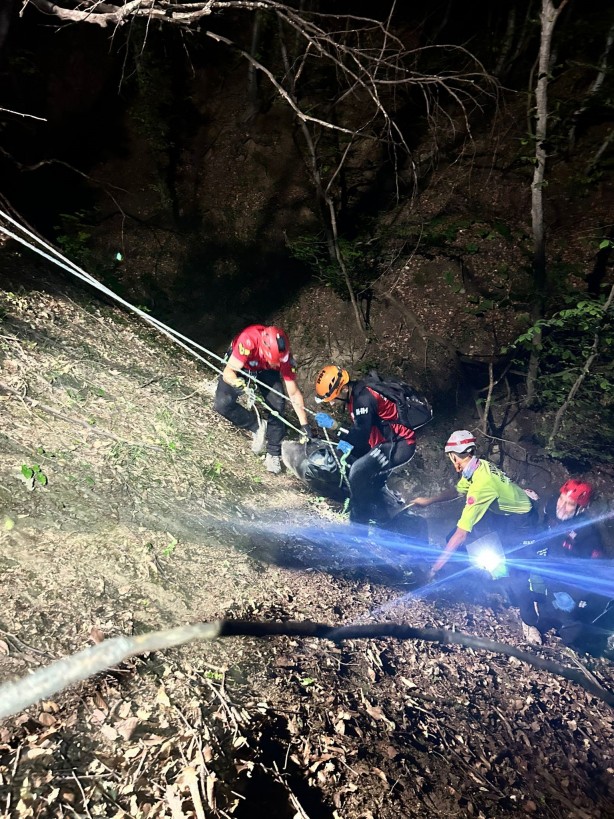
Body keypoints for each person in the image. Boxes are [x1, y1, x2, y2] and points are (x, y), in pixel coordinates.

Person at [409, 430, 537, 580]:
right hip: (503, 510)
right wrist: (428, 501)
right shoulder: (478, 466)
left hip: (521, 519)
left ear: (453, 456)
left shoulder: (480, 485)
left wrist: (433, 570)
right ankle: (464, 574)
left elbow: (461, 534)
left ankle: (492, 585)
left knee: (512, 560)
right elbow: (457, 490)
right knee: (456, 538)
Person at [313, 365, 417, 524]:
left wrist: (342, 445)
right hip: (385, 443)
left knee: (358, 471)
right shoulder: (355, 396)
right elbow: (361, 431)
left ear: (341, 390)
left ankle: (358, 523)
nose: (332, 403)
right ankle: (383, 516)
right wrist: (336, 428)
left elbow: (360, 435)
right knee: (366, 475)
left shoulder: (363, 399)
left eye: (332, 398)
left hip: (399, 444)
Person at [517, 480, 612, 648]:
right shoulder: (552, 507)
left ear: (580, 508)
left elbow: (593, 571)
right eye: (562, 499)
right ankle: (531, 619)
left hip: (568, 580)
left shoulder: (587, 534)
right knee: (518, 581)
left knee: (569, 629)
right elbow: (542, 531)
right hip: (548, 565)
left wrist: (575, 595)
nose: (562, 506)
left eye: (569, 504)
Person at [214, 325, 311, 474]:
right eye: (276, 362)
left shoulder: (283, 357)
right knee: (222, 404)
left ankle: (273, 453)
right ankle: (256, 425)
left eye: (280, 362)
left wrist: (305, 425)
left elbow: (293, 393)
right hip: (243, 363)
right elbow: (229, 372)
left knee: (278, 406)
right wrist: (235, 382)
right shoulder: (248, 341)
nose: (279, 365)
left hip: (265, 368)